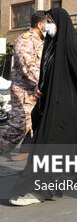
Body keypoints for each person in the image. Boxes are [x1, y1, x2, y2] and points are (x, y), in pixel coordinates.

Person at [9, 8, 77, 206]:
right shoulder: (51, 47)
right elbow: (47, 72)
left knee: (49, 149)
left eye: (50, 21)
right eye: (46, 21)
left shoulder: (71, 47)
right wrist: (41, 87)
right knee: (64, 146)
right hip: (51, 104)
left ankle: (39, 191)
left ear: (61, 23)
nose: (47, 25)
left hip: (68, 107)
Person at [0, 11, 46, 160]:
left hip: (36, 92)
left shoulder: (43, 41)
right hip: (24, 93)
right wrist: (43, 83)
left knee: (38, 128)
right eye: (48, 22)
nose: (51, 26)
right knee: (18, 129)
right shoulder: (24, 40)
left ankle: (33, 166)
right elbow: (28, 65)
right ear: (40, 24)